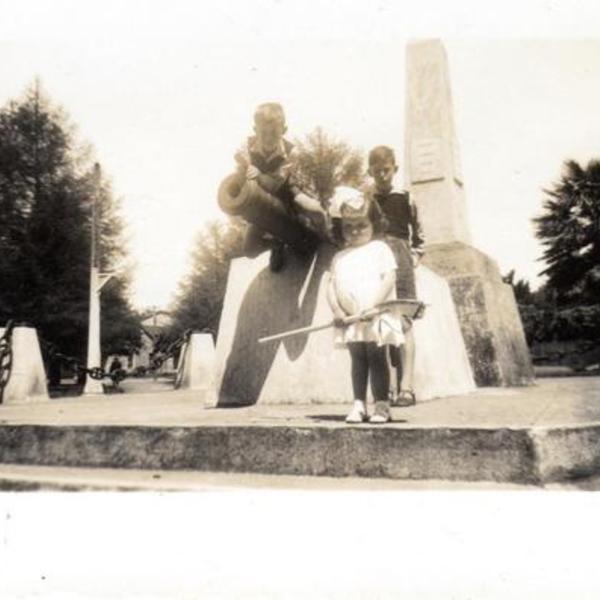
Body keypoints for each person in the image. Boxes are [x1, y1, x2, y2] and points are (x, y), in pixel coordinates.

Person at [326, 187, 404, 424]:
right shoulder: (340, 257)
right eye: (348, 227)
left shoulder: (379, 249)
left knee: (377, 357)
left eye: (362, 225)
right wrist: (338, 311)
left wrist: (375, 304)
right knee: (357, 359)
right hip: (352, 318)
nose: (355, 231)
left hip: (375, 314)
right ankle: (358, 404)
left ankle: (381, 405)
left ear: (374, 225)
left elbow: (389, 278)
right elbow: (331, 286)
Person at [234, 102, 324, 271]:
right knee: (249, 249)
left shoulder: (291, 152)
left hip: (288, 192)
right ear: (255, 130)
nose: (268, 138)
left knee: (315, 210)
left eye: (274, 133)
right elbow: (240, 185)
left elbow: (278, 185)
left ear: (284, 130)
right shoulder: (246, 150)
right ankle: (276, 243)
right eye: (263, 133)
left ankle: (329, 238)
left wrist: (259, 175)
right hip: (260, 197)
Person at [367, 145, 424, 407]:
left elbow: (419, 233)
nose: (382, 175)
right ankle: (388, 388)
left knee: (404, 324)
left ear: (395, 169)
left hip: (400, 261)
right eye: (376, 171)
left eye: (386, 170)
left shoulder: (406, 197)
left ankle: (407, 388)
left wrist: (415, 255)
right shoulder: (366, 200)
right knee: (382, 325)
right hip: (377, 262)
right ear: (370, 171)